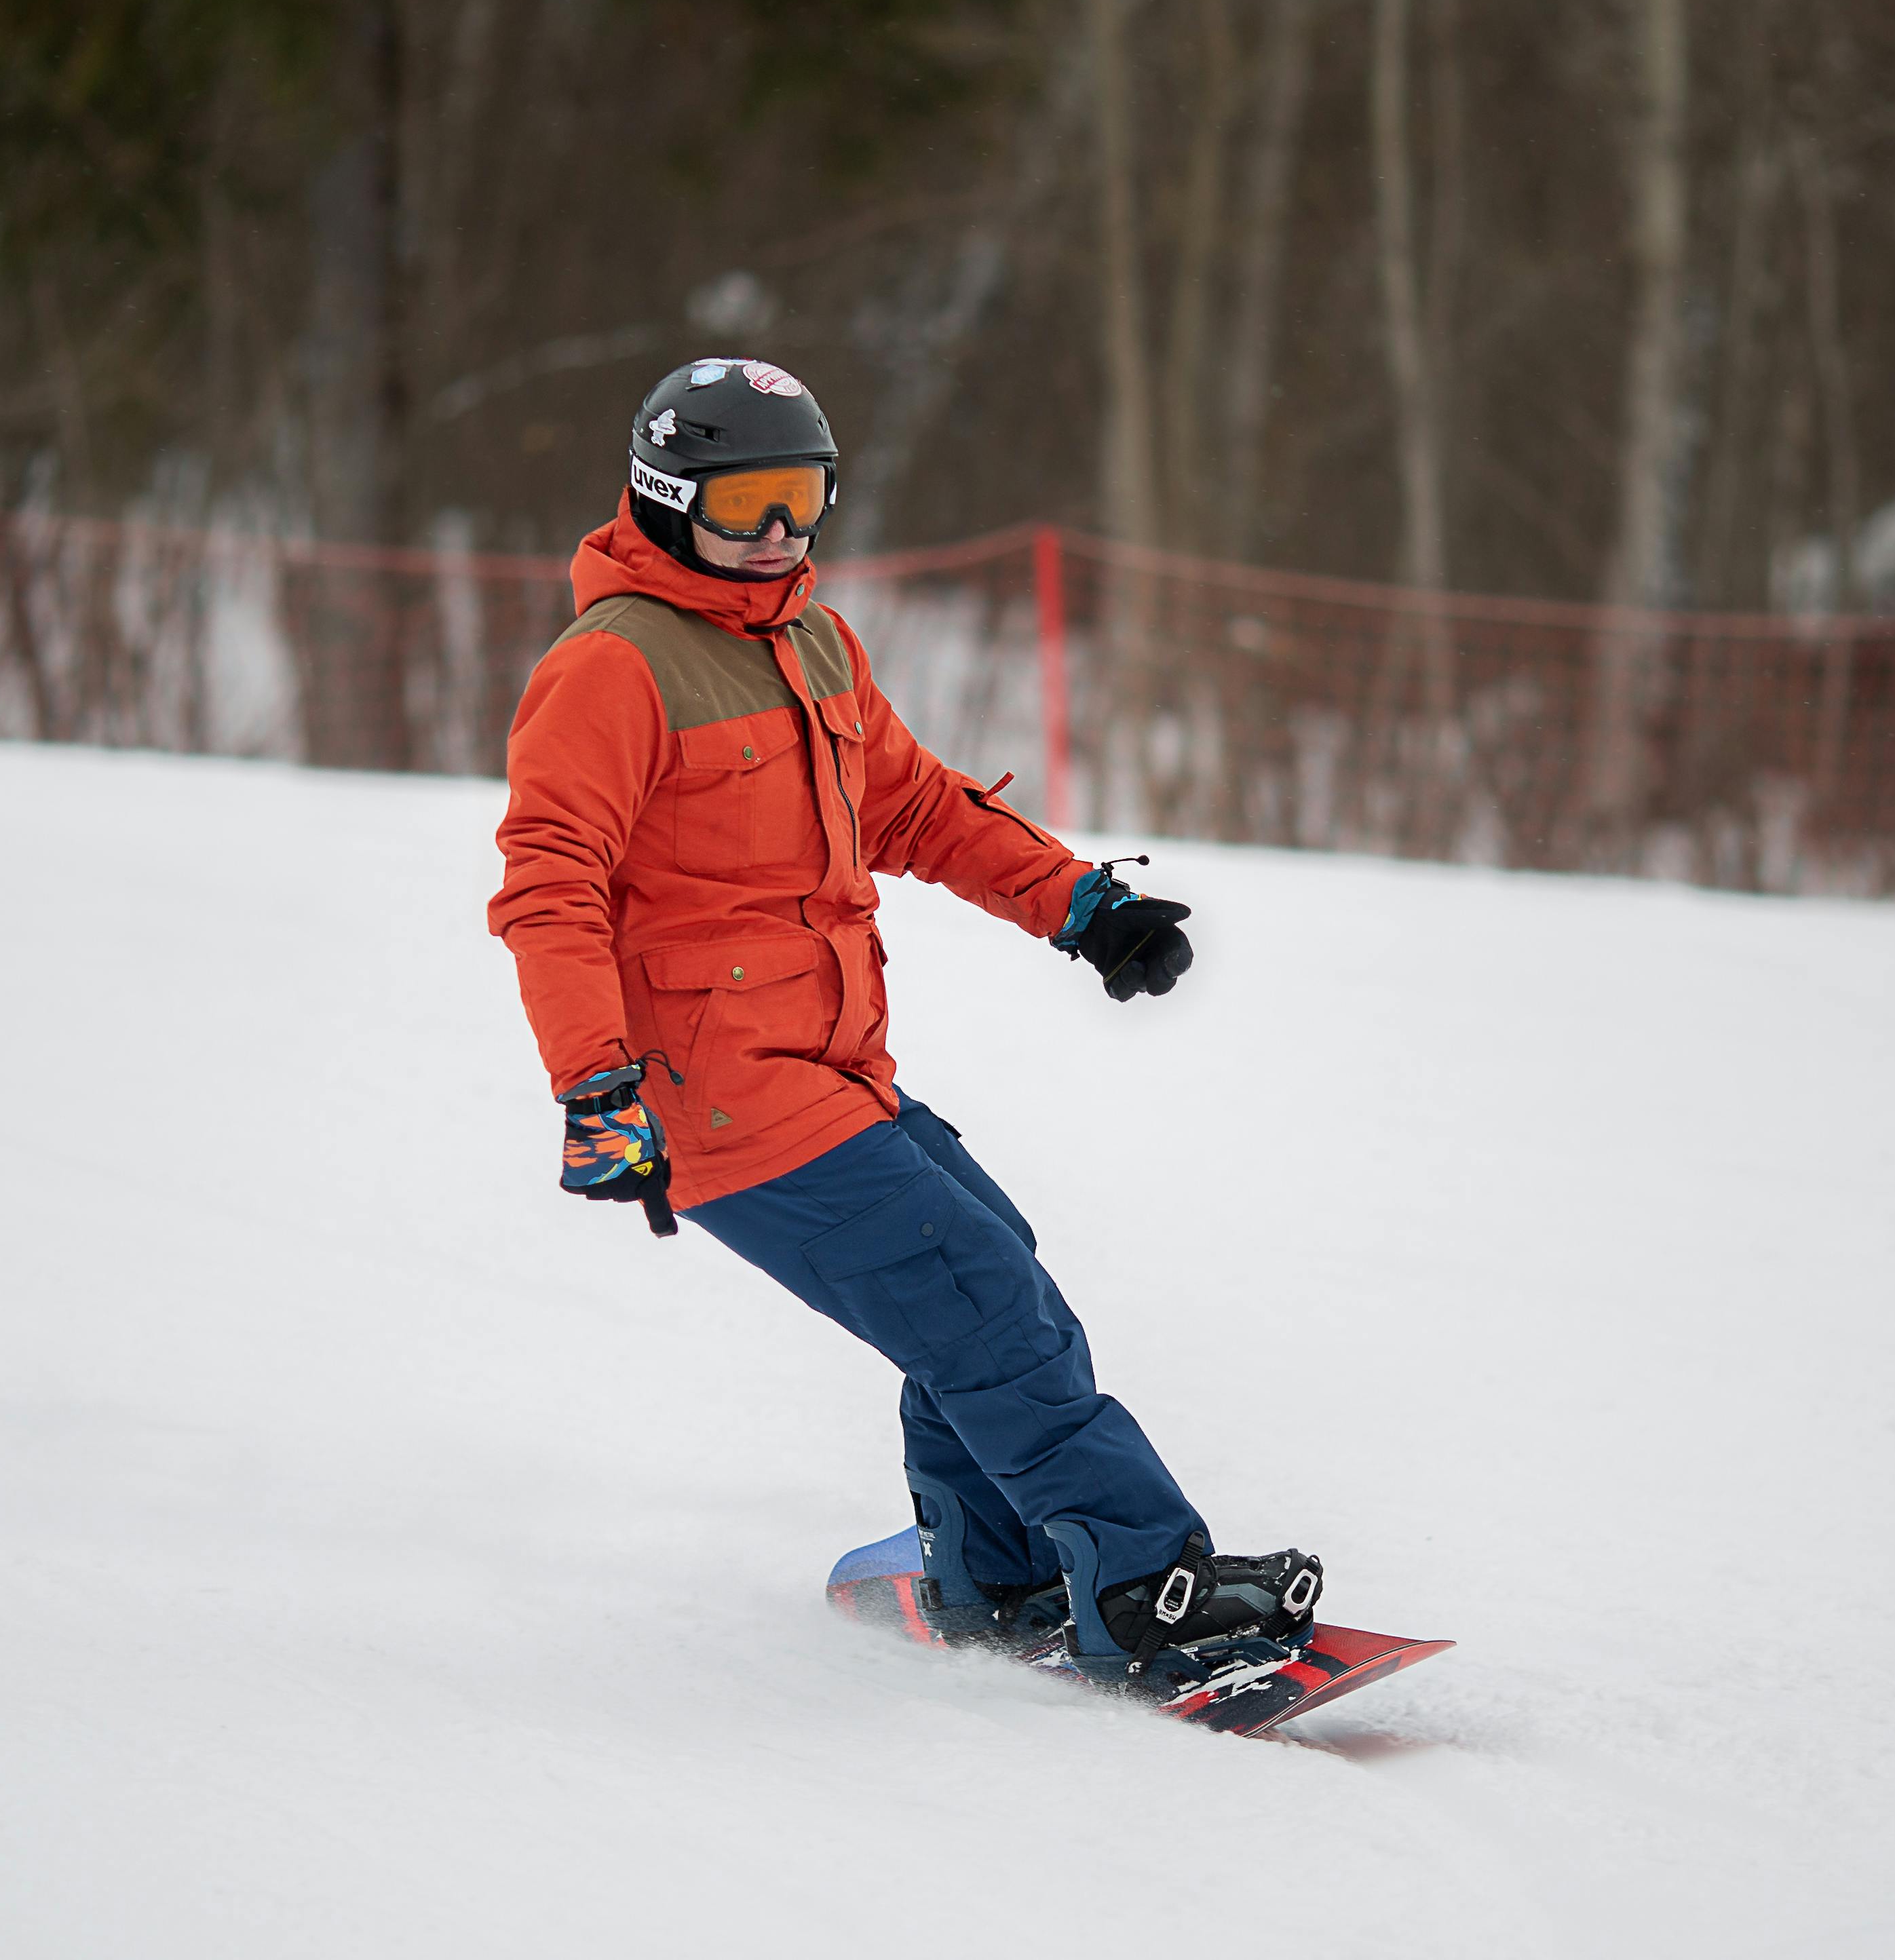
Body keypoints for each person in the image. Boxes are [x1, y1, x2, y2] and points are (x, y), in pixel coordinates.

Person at [487, 358, 1320, 1695]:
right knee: (984, 1309)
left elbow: (919, 807)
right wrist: (595, 1086)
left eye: (803, 499)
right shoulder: (611, 671)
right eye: (745, 502)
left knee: (993, 1272)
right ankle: (1142, 1587)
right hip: (712, 1094)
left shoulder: (808, 640)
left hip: (827, 1067)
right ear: (663, 498)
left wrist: (1083, 906)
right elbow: (551, 885)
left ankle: (995, 1575)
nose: (778, 536)